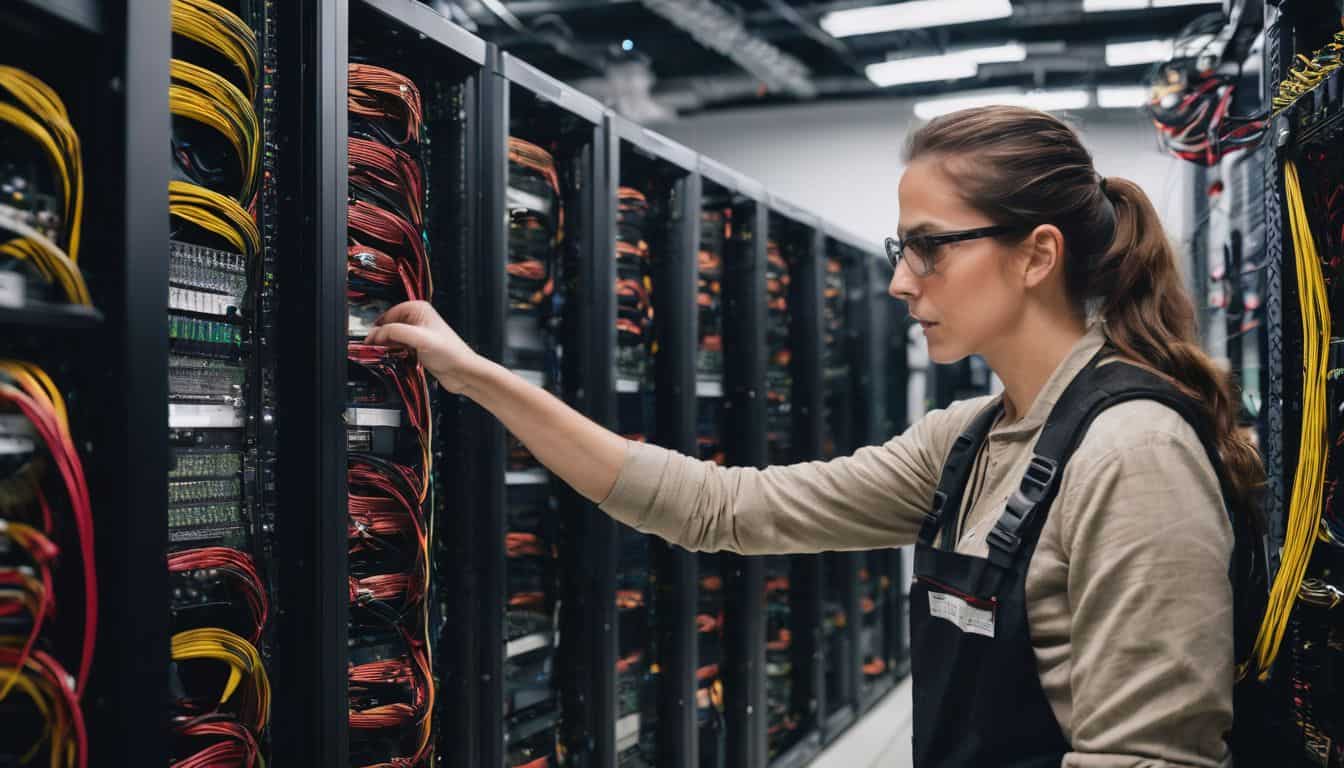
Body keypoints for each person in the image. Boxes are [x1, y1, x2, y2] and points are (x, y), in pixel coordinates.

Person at [365, 105, 1262, 767]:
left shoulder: (1133, 455)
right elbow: (721, 507)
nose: (902, 284)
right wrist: (481, 378)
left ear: (1036, 254)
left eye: (930, 247)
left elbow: (1149, 761)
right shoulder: (969, 441)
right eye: (897, 250)